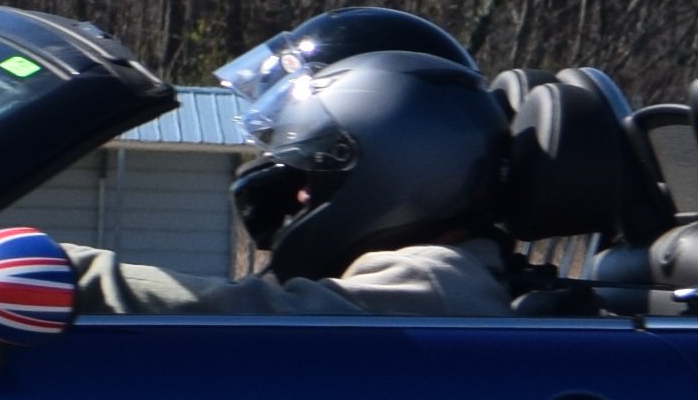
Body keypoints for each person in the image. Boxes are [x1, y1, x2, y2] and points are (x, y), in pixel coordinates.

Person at [70, 37, 529, 319]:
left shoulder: (432, 281)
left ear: (399, 174)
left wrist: (75, 273)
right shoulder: (459, 274)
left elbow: (254, 319)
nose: (302, 194)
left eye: (317, 174)